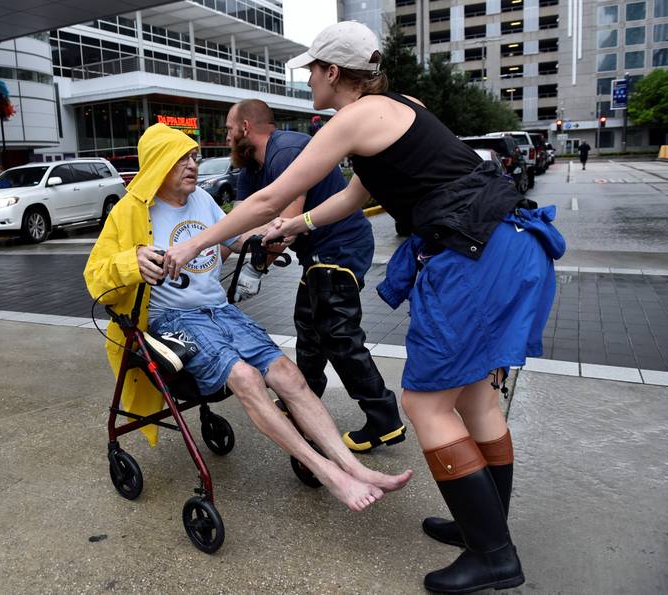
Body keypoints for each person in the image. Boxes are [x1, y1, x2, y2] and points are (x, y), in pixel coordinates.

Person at [162, 21, 564, 594]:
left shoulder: (351, 118)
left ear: (332, 73)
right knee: (473, 393)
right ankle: (483, 526)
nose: (307, 80)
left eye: (311, 71)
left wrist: (193, 243)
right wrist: (296, 225)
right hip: (506, 241)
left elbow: (269, 194)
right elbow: (359, 193)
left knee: (425, 404)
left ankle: (495, 555)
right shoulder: (399, 106)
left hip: (474, 254)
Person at [84, 123, 412, 513]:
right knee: (244, 376)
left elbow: (228, 241)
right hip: (172, 319)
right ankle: (330, 474)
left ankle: (353, 466)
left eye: (193, 156)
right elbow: (95, 275)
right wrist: (131, 260)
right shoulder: (130, 213)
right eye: (181, 158)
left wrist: (259, 237)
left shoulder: (203, 200)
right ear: (158, 164)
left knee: (289, 375)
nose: (193, 163)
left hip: (220, 310)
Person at [227, 99, 405, 453]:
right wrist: (203, 250)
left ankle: (384, 419)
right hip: (317, 254)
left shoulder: (288, 150)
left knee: (338, 334)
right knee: (308, 329)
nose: (227, 137)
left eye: (230, 130)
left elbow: (282, 228)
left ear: (246, 128)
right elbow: (240, 224)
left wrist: (254, 267)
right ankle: (303, 399)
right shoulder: (250, 172)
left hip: (342, 245)